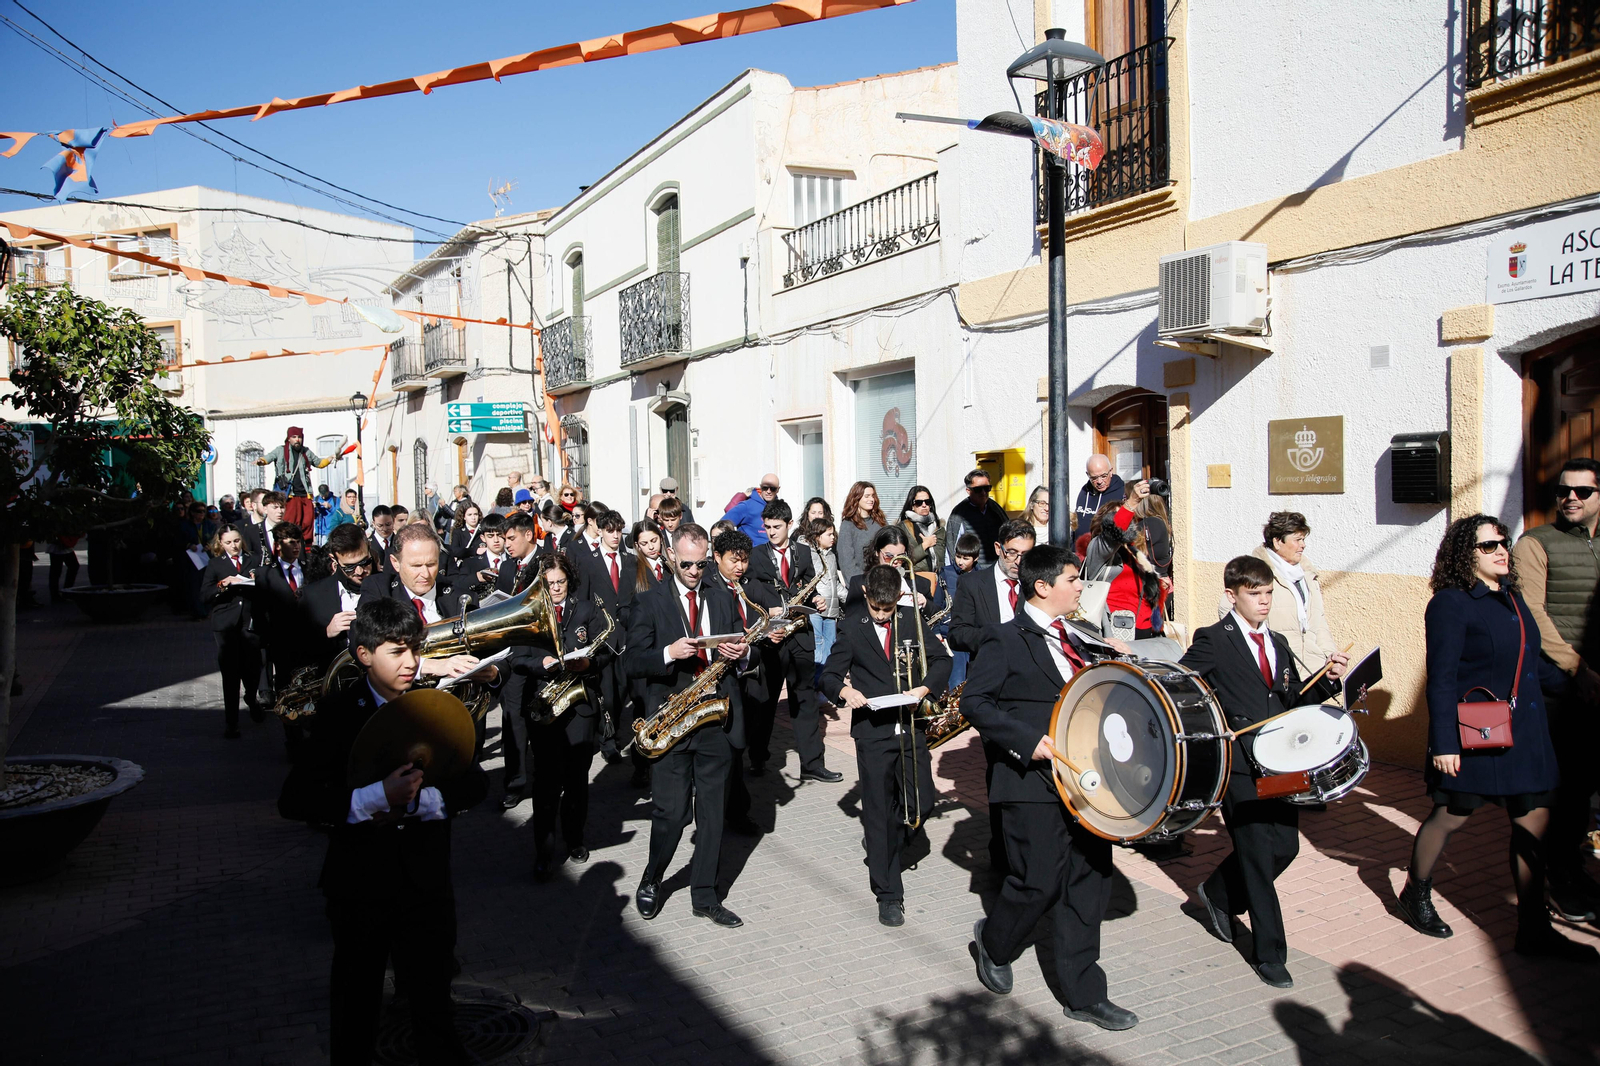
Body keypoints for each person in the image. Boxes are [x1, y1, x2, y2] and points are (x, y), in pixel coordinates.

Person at [277, 598, 491, 1066]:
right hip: (360, 889)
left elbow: (474, 781)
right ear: (364, 655)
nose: (412, 663)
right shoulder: (338, 713)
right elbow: (295, 799)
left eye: (415, 649)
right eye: (397, 652)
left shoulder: (435, 704)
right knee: (356, 1006)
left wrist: (428, 801)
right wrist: (374, 798)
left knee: (433, 1002)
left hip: (425, 886)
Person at [1395, 516, 1596, 962]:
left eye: (1503, 542)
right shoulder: (1451, 604)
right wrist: (1444, 742)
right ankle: (1415, 892)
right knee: (1451, 814)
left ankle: (1533, 928)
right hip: (1476, 732)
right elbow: (1442, 679)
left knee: (1533, 826)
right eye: (1489, 546)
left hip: (1526, 733)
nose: (1502, 550)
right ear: (1465, 554)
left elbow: (1531, 664)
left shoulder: (1513, 597)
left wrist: (1577, 687)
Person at [963, 544, 1137, 1030]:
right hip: (1030, 778)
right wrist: (1027, 741)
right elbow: (975, 703)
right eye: (1073, 579)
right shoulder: (1005, 638)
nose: (1081, 586)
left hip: (1087, 779)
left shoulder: (1079, 636)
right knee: (1038, 880)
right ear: (1043, 587)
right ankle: (994, 942)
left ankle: (1084, 993)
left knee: (1088, 881)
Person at [1181, 555, 1348, 989]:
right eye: (1254, 594)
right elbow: (1181, 688)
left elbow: (1292, 699)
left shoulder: (1277, 641)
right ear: (1231, 595)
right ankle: (1269, 953)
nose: (1264, 601)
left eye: (1269, 593)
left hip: (1280, 764)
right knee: (1256, 857)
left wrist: (1330, 680)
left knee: (1285, 849)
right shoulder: (1213, 639)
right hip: (1239, 766)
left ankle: (1217, 893)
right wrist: (1215, 730)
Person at [624, 524, 750, 927]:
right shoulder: (649, 601)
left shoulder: (721, 596)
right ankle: (652, 877)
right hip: (672, 720)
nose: (695, 571)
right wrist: (668, 652)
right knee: (671, 813)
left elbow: (745, 655)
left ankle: (705, 895)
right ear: (671, 558)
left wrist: (741, 652)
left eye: (701, 563)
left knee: (712, 814)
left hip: (715, 716)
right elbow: (631, 661)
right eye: (687, 564)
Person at [822, 563, 950, 927]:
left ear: (898, 598)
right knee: (877, 812)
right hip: (874, 732)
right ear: (866, 597)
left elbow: (941, 660)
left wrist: (924, 689)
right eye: (877, 608)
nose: (881, 615)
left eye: (888, 608)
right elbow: (829, 675)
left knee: (922, 802)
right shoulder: (851, 627)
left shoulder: (910, 619)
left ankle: (886, 843)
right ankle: (888, 892)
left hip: (909, 728)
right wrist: (846, 691)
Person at [1511, 457, 1600, 921]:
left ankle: (1577, 869)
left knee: (1588, 791)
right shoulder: (1536, 542)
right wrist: (1577, 668)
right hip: (1563, 687)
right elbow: (1533, 614)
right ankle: (1560, 880)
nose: (1570, 498)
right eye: (1564, 490)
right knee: (1565, 791)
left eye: (1582, 492)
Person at [523, 554, 608, 880]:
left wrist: (589, 664)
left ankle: (575, 838)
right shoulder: (530, 615)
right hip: (544, 705)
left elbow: (604, 652)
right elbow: (517, 658)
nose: (556, 588)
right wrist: (539, 665)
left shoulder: (585, 610)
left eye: (561, 582)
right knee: (545, 783)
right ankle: (543, 852)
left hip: (579, 706)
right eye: (550, 583)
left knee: (576, 781)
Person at [746, 500, 838, 783]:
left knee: (805, 701)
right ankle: (758, 757)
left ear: (789, 525)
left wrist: (817, 599)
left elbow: (809, 583)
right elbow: (752, 589)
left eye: (776, 527)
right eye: (767, 527)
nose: (771, 532)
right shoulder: (757, 554)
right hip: (772, 636)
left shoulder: (803, 552)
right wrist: (772, 610)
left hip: (800, 635)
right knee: (766, 701)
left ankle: (812, 763)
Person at [708, 528, 782, 832]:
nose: (740, 566)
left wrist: (769, 631)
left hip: (746, 674)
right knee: (727, 751)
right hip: (719, 678)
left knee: (738, 746)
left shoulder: (746, 586)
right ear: (716, 558)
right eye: (734, 561)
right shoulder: (709, 588)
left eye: (744, 560)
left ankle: (734, 809)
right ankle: (730, 810)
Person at [1221, 513, 1338, 678]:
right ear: (1277, 542)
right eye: (1297, 540)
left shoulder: (1307, 575)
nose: (1303, 545)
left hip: (1313, 672)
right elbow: (1229, 613)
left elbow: (1319, 624)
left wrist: (1330, 658)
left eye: (1303, 539)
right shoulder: (1255, 574)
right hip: (1276, 674)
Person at [494, 512, 544, 808]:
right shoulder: (506, 568)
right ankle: (515, 782)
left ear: (528, 535)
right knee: (512, 720)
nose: (506, 545)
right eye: (503, 539)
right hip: (512, 655)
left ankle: (546, 777)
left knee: (541, 719)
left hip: (538, 654)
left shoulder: (548, 562)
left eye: (511, 538)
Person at [202, 525, 265, 738]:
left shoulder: (253, 560)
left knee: (253, 667)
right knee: (230, 674)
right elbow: (205, 594)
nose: (234, 546)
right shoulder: (215, 564)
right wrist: (223, 585)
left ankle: (251, 696)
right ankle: (231, 722)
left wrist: (252, 582)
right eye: (228, 542)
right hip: (226, 625)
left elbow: (266, 584)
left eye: (236, 541)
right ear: (221, 543)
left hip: (250, 622)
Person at [359, 523, 480, 628]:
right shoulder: (379, 591)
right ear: (396, 563)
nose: (425, 574)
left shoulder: (463, 600)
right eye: (416, 566)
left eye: (431, 564)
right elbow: (361, 636)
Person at [299, 523, 374, 672]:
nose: (359, 571)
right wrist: (327, 632)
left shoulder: (389, 585)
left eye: (365, 562)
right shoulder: (312, 595)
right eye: (349, 567)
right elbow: (298, 648)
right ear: (334, 560)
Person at [255, 427, 339, 542]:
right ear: (289, 438)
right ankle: (288, 549)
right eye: (294, 437)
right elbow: (268, 457)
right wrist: (261, 461)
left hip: (305, 495)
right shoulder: (280, 450)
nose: (297, 440)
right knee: (290, 525)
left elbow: (319, 463)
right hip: (289, 496)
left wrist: (331, 458)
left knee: (307, 524)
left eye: (299, 437)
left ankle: (306, 553)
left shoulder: (306, 452)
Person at [843, 525, 941, 614]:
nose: (895, 561)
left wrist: (925, 604)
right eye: (889, 556)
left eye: (901, 556)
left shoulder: (921, 584)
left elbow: (936, 618)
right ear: (876, 552)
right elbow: (850, 621)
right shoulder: (859, 583)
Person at [801, 516, 841, 690]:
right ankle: (814, 687)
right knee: (817, 648)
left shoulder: (831, 555)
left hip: (832, 611)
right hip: (815, 609)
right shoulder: (808, 554)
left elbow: (836, 584)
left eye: (833, 534)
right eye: (829, 534)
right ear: (817, 536)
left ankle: (822, 685)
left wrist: (851, 595)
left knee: (830, 648)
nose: (833, 537)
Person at [940, 533, 983, 688]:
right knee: (956, 681)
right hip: (951, 634)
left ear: (975, 558)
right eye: (958, 557)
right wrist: (938, 630)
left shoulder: (983, 577)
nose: (960, 562)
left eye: (966, 558)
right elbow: (938, 605)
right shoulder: (945, 574)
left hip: (974, 634)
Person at [946, 469, 1008, 567]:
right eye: (978, 489)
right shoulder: (959, 514)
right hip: (972, 573)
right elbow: (951, 549)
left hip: (997, 569)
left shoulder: (996, 510)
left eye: (987, 488)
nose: (983, 493)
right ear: (968, 491)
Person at [837, 481, 887, 584]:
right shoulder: (848, 525)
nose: (871, 499)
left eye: (873, 496)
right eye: (867, 496)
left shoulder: (881, 522)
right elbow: (846, 561)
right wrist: (860, 584)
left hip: (883, 581)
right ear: (857, 498)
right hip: (861, 583)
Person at [1072, 454, 1124, 543]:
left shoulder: (1122, 492)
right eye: (1094, 478)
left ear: (1111, 471)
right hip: (1079, 552)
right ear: (1087, 475)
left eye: (1104, 476)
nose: (1099, 482)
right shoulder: (1084, 491)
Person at [900, 485, 947, 573]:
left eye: (927, 502)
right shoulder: (903, 528)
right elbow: (902, 560)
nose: (924, 505)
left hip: (938, 579)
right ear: (912, 506)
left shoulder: (939, 528)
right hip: (916, 579)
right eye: (919, 502)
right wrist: (925, 545)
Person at [721, 474, 780, 545]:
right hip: (752, 553)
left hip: (773, 552)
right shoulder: (747, 506)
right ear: (761, 487)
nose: (768, 491)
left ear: (778, 489)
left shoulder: (779, 506)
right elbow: (722, 526)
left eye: (772, 488)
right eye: (765, 488)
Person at [45, 533, 81, 602]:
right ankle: (58, 594)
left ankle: (62, 592)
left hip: (61, 541)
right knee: (57, 571)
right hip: (57, 542)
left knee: (59, 570)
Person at [367, 506, 397, 573]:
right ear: (373, 524)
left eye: (388, 524)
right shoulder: (367, 545)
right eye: (380, 525)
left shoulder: (401, 542)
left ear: (393, 521)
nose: (384, 529)